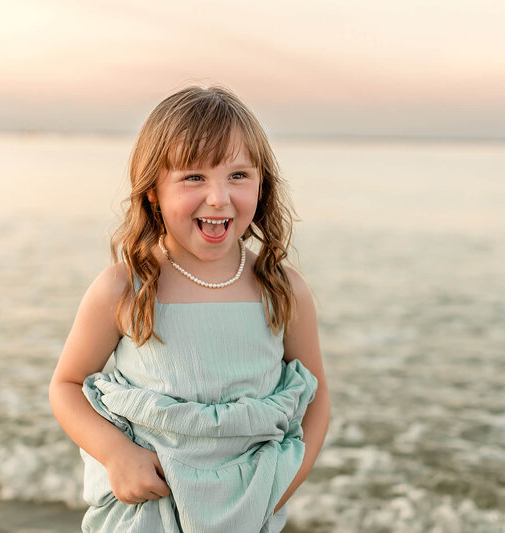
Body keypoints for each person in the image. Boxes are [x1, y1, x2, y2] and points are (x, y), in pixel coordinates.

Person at [49, 85, 330, 533]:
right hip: (145, 514)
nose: (218, 197)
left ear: (263, 184)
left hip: (250, 512)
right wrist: (117, 455)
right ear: (153, 192)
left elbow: (316, 399)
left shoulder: (283, 289)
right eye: (193, 177)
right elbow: (65, 386)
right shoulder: (125, 288)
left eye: (238, 175)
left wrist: (280, 486)